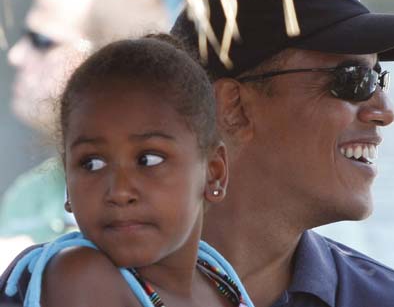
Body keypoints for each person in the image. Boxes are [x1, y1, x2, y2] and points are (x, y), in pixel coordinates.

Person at [171, 0, 394, 307]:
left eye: (377, 76)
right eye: (353, 79)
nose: (385, 111)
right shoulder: (95, 288)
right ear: (234, 106)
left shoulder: (391, 301)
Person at [1, 35, 253, 307]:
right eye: (91, 164)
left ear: (213, 172)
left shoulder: (219, 280)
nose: (119, 191)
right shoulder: (81, 277)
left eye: (148, 160)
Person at [1, 0, 169, 243]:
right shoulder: (31, 192)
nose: (15, 55)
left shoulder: (172, 187)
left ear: (104, 59)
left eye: (41, 40)